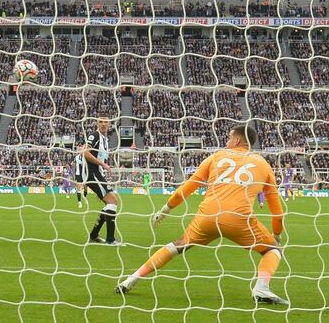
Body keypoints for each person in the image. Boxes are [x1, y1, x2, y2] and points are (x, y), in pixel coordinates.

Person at [115, 124, 288, 305]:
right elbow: (277, 210)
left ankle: (131, 279)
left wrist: (166, 209)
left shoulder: (216, 157)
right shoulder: (263, 164)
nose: (227, 141)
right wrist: (276, 234)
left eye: (229, 138)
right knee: (273, 250)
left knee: (179, 245)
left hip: (207, 216)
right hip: (239, 219)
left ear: (237, 140)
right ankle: (261, 289)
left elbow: (188, 187)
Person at [83, 117, 120, 245]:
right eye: (100, 121)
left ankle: (94, 235)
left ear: (109, 124)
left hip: (97, 173)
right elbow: (85, 153)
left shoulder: (105, 140)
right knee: (113, 201)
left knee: (109, 203)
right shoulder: (95, 136)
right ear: (97, 123)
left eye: (105, 122)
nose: (103, 124)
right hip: (91, 172)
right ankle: (110, 240)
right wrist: (103, 165)